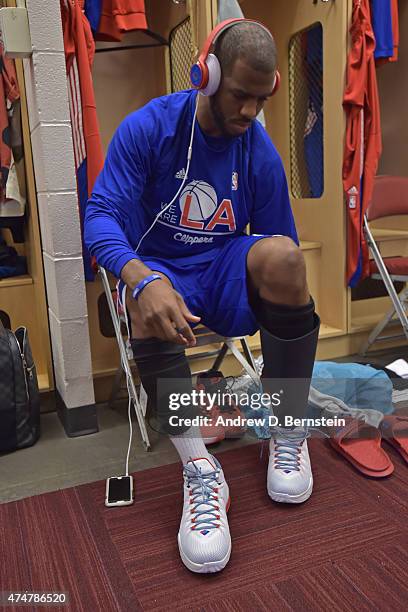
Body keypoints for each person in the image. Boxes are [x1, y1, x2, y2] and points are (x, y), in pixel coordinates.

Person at [85, 18, 320, 574]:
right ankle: (200, 469)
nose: (248, 113)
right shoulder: (151, 129)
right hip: (162, 272)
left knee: (286, 258)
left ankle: (287, 426)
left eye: (260, 101)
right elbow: (98, 218)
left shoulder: (256, 148)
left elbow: (275, 241)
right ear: (206, 75)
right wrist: (140, 277)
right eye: (240, 95)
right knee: (142, 298)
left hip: (222, 273)